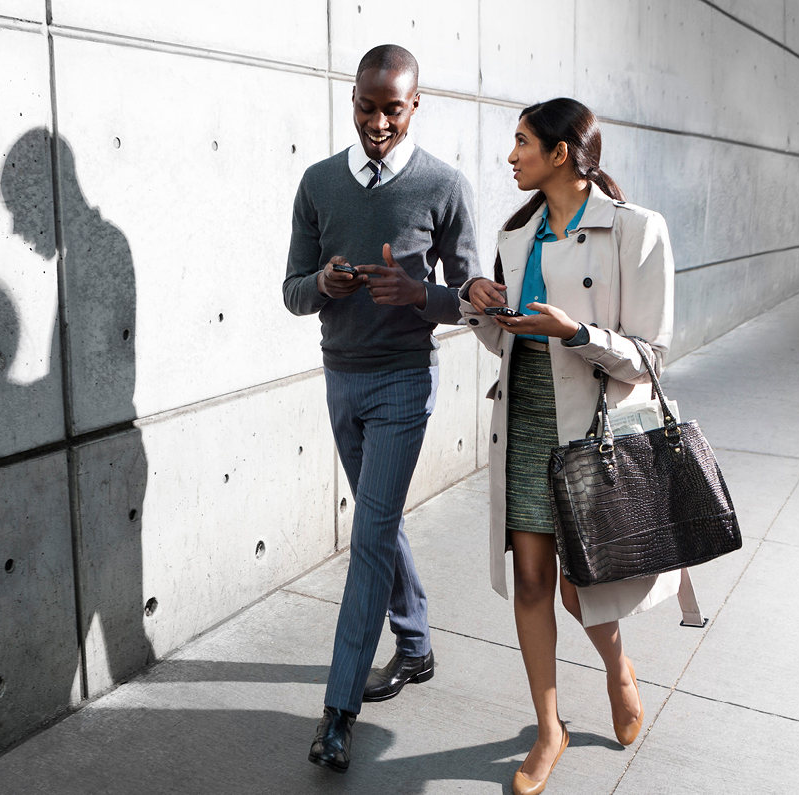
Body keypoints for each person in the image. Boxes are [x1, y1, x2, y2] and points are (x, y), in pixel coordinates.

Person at [461, 98, 701, 795]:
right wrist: (485, 307)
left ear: (561, 152)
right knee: (533, 579)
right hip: (527, 416)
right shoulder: (518, 234)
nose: (511, 156)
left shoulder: (636, 231)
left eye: (522, 142)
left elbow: (653, 354)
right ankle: (548, 727)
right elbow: (509, 339)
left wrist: (575, 334)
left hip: (591, 429)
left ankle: (618, 669)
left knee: (578, 587)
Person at [282, 44, 480, 773]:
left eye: (391, 108)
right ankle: (417, 643)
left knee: (367, 538)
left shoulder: (444, 186)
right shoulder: (317, 185)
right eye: (365, 106)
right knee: (379, 517)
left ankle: (337, 713)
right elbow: (292, 291)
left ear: (415, 105)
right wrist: (326, 285)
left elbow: (473, 300)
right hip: (342, 379)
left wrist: (419, 296)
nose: (376, 122)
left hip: (404, 381)